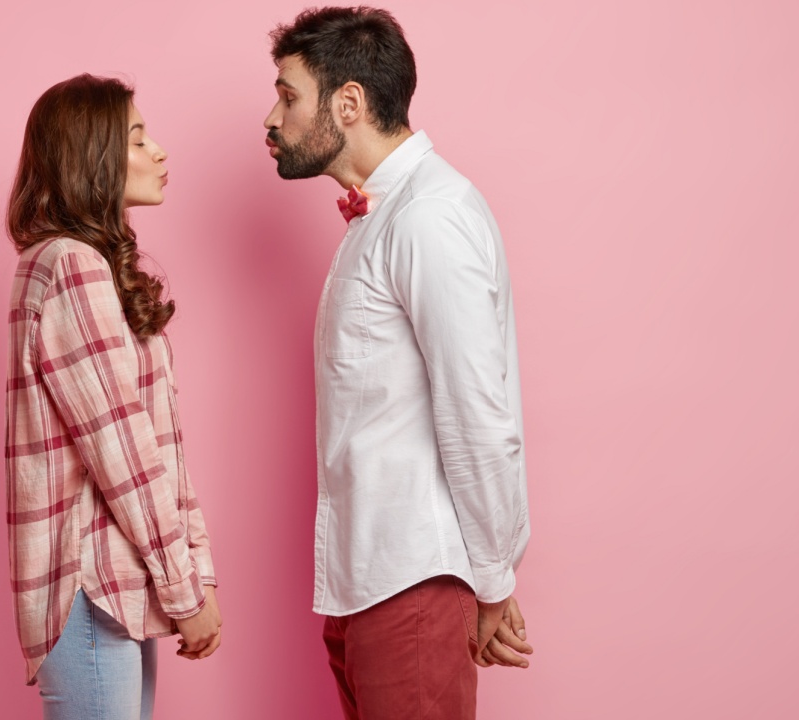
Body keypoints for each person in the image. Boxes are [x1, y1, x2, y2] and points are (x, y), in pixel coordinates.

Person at [263, 8, 534, 719]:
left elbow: (478, 411)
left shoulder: (428, 217)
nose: (272, 118)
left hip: (410, 582)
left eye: (288, 96)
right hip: (365, 582)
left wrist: (494, 580)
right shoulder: (381, 218)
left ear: (347, 104)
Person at [4, 74, 221, 720]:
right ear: (90, 155)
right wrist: (187, 591)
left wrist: (192, 571)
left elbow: (159, 447)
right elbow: (123, 453)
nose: (158, 151)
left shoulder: (70, 262)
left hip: (112, 589)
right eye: (136, 137)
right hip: (93, 586)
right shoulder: (70, 265)